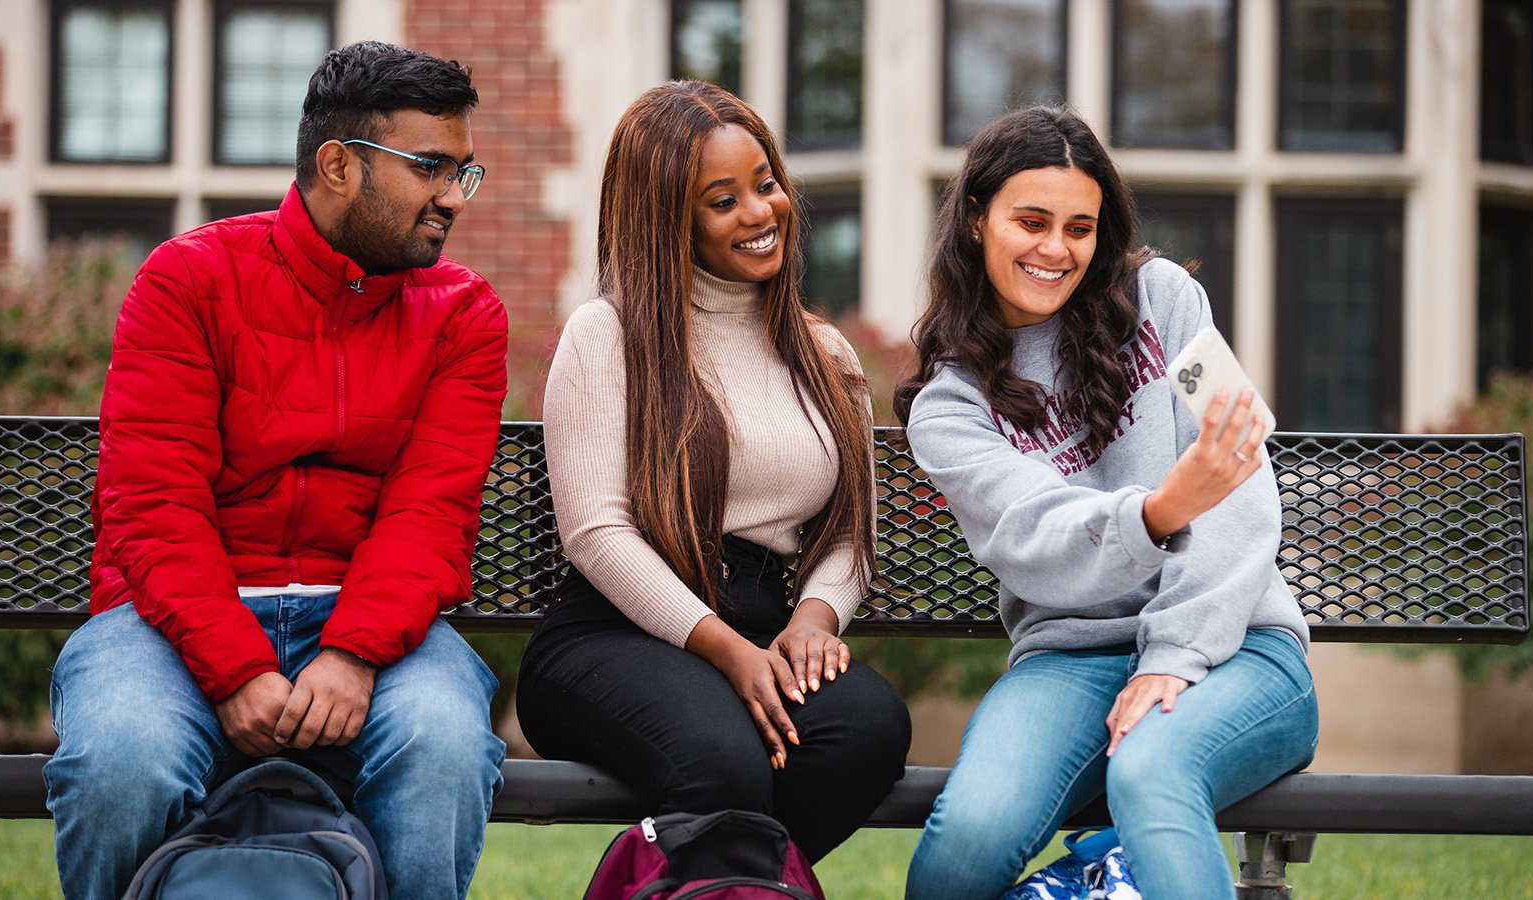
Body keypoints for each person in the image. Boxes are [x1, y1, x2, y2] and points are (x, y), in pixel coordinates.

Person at [44, 41, 507, 899]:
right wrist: (238, 667)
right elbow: (153, 506)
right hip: (170, 625)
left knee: (443, 746)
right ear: (339, 164)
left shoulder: (464, 315)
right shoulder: (188, 280)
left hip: (374, 633)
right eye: (433, 167)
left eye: (463, 173)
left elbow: (430, 514)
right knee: (122, 761)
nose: (453, 197)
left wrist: (354, 655)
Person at [896, 106, 1318, 900]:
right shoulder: (950, 403)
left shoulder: (1165, 302)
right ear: (978, 218)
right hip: (1070, 659)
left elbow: (1241, 483)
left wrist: (1174, 654)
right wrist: (1158, 511)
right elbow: (1036, 535)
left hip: (1238, 646)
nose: (1057, 249)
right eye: (1031, 221)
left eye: (1080, 228)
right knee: (968, 841)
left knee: (1152, 773)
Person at [515, 80, 911, 862]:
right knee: (723, 758)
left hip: (768, 622)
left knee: (866, 728)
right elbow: (596, 533)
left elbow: (846, 530)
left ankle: (696, 879)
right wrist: (727, 650)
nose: (761, 213)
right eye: (722, 200)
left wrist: (813, 621)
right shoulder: (606, 336)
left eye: (766, 185)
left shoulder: (825, 352)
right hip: (616, 632)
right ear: (666, 215)